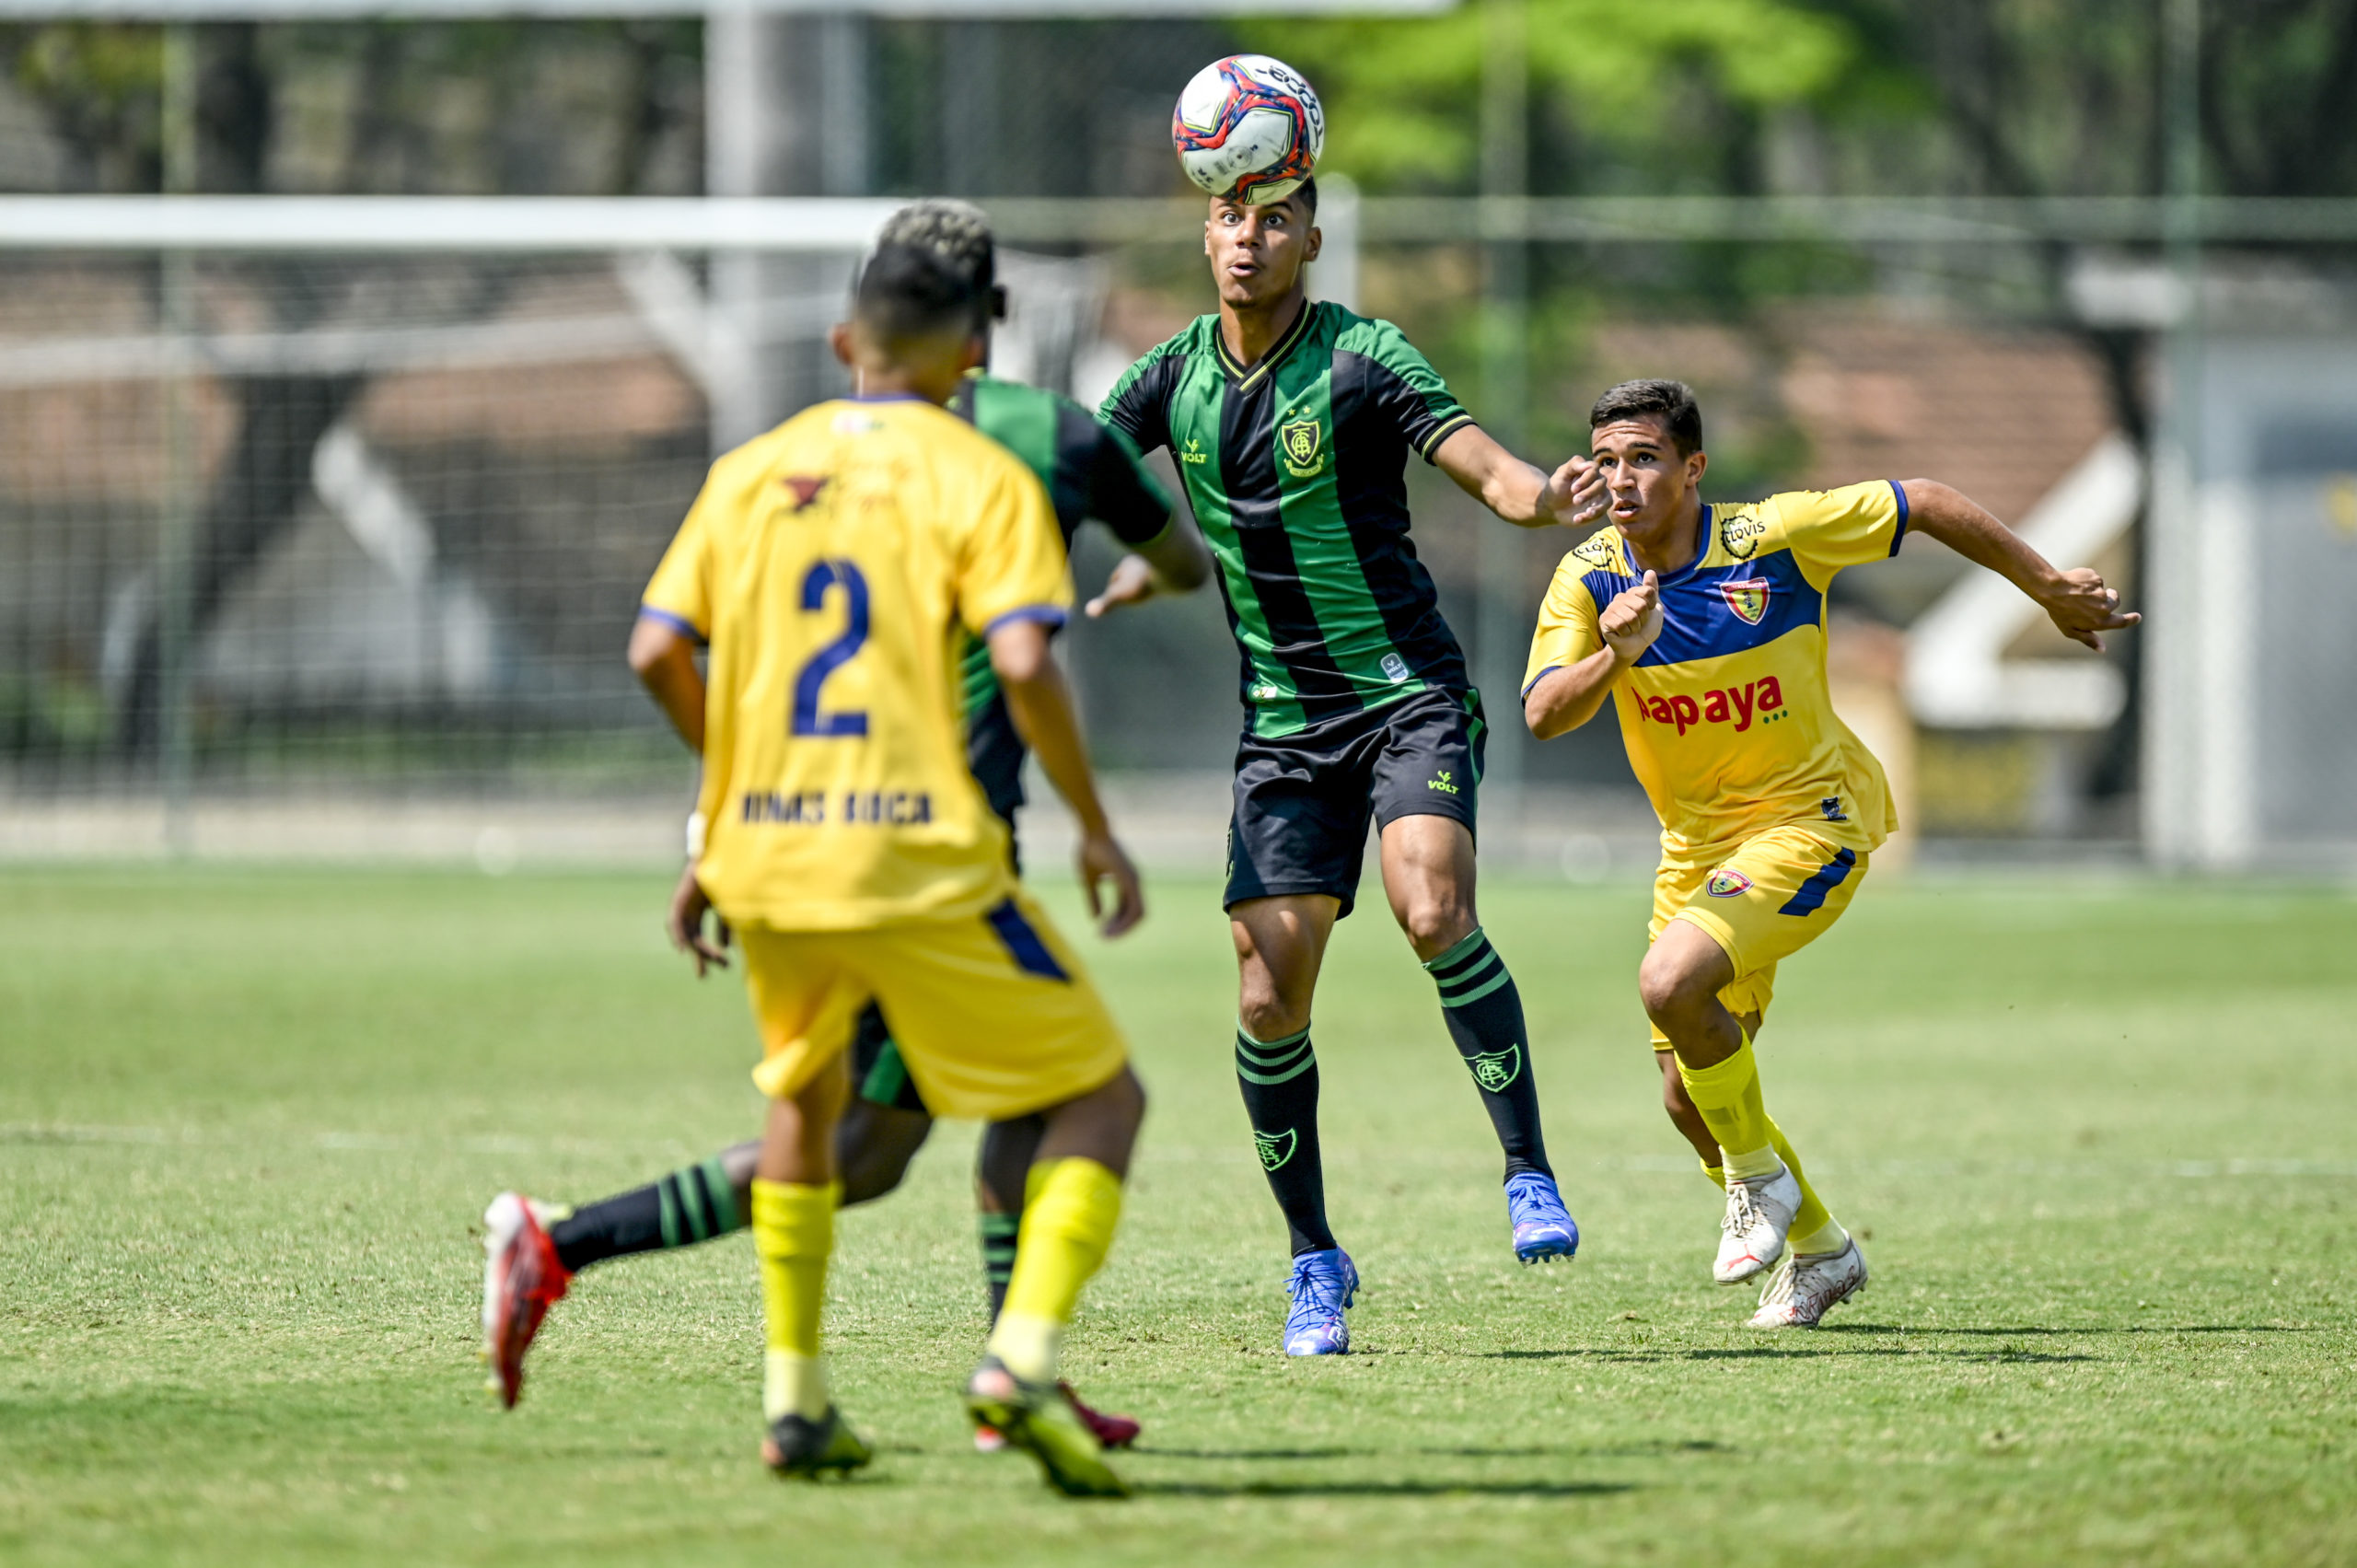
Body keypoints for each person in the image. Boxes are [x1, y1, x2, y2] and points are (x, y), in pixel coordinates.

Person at [479, 203, 1206, 1456]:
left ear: (840, 338)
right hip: (927, 843)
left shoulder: (751, 467)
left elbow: (657, 647)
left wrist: (726, 798)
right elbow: (1038, 650)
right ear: (982, 340)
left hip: (773, 845)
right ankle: (1017, 1361)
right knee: (1088, 1097)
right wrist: (1101, 823)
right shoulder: (1002, 458)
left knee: (836, 1130)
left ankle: (799, 1396)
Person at [1095, 179, 1606, 1357]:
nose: (1247, 240)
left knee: (1432, 904)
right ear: (1204, 232)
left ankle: (1526, 1168)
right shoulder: (1167, 378)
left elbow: (1488, 470)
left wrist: (1548, 497)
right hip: (1282, 732)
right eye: (1229, 218)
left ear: (1310, 241)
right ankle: (1313, 1257)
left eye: (1273, 221)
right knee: (1270, 997)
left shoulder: (1365, 357)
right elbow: (1071, 472)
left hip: (1403, 695)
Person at [1522, 378, 2137, 1327]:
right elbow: (1542, 714)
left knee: (1666, 981)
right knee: (1688, 1101)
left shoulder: (1774, 537)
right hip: (1697, 851)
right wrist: (1618, 652)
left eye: (1642, 458)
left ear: (1692, 469)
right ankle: (1818, 1249)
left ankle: (1759, 1185)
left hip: (1811, 821)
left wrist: (2045, 584)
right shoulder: (1589, 577)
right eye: (1604, 461)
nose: (1619, 480)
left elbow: (1924, 500)